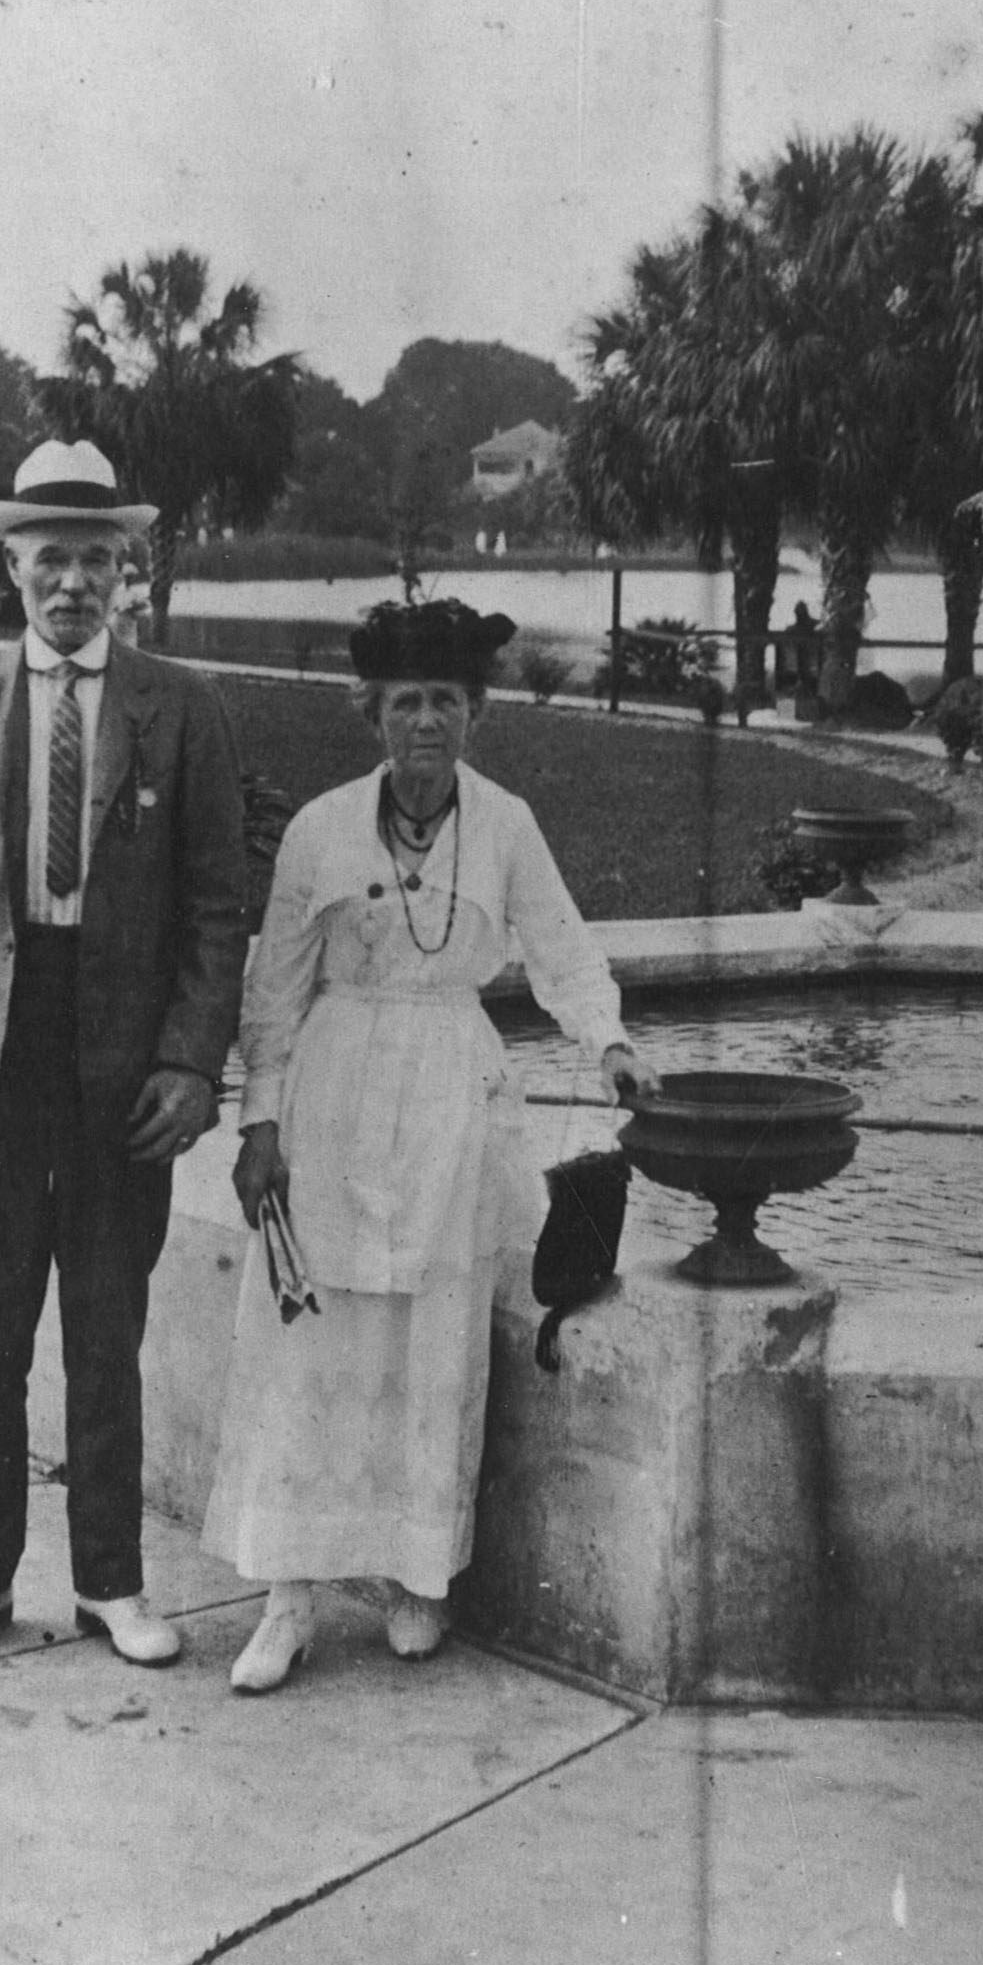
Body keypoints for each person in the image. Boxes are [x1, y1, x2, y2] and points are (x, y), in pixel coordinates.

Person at [203, 598, 657, 1694]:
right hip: (335, 1092)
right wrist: (259, 1121)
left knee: (432, 1337)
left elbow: (560, 947)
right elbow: (273, 993)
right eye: (404, 701)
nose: (424, 722)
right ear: (374, 713)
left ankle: (417, 1581)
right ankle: (288, 1593)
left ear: (474, 712)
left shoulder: (504, 823)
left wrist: (611, 1045)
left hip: (452, 1098)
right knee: (312, 1339)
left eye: (444, 701)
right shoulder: (319, 828)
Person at [0, 440, 248, 1668]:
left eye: (96, 558)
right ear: (13, 567)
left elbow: (212, 906)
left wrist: (192, 1065)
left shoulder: (179, 706)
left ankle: (112, 1583)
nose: (74, 582)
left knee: (107, 1324)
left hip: (121, 1060)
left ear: (126, 570)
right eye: (51, 558)